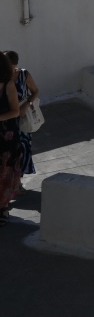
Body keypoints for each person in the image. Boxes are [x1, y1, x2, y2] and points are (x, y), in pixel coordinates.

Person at [5, 51, 38, 181]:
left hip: (22, 119)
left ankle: (18, 181)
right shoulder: (3, 78)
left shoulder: (24, 74)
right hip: (7, 120)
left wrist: (27, 104)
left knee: (22, 149)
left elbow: (35, 91)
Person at [0, 53, 22, 225]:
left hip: (6, 136)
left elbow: (16, 111)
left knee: (4, 173)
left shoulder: (8, 85)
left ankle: (3, 209)